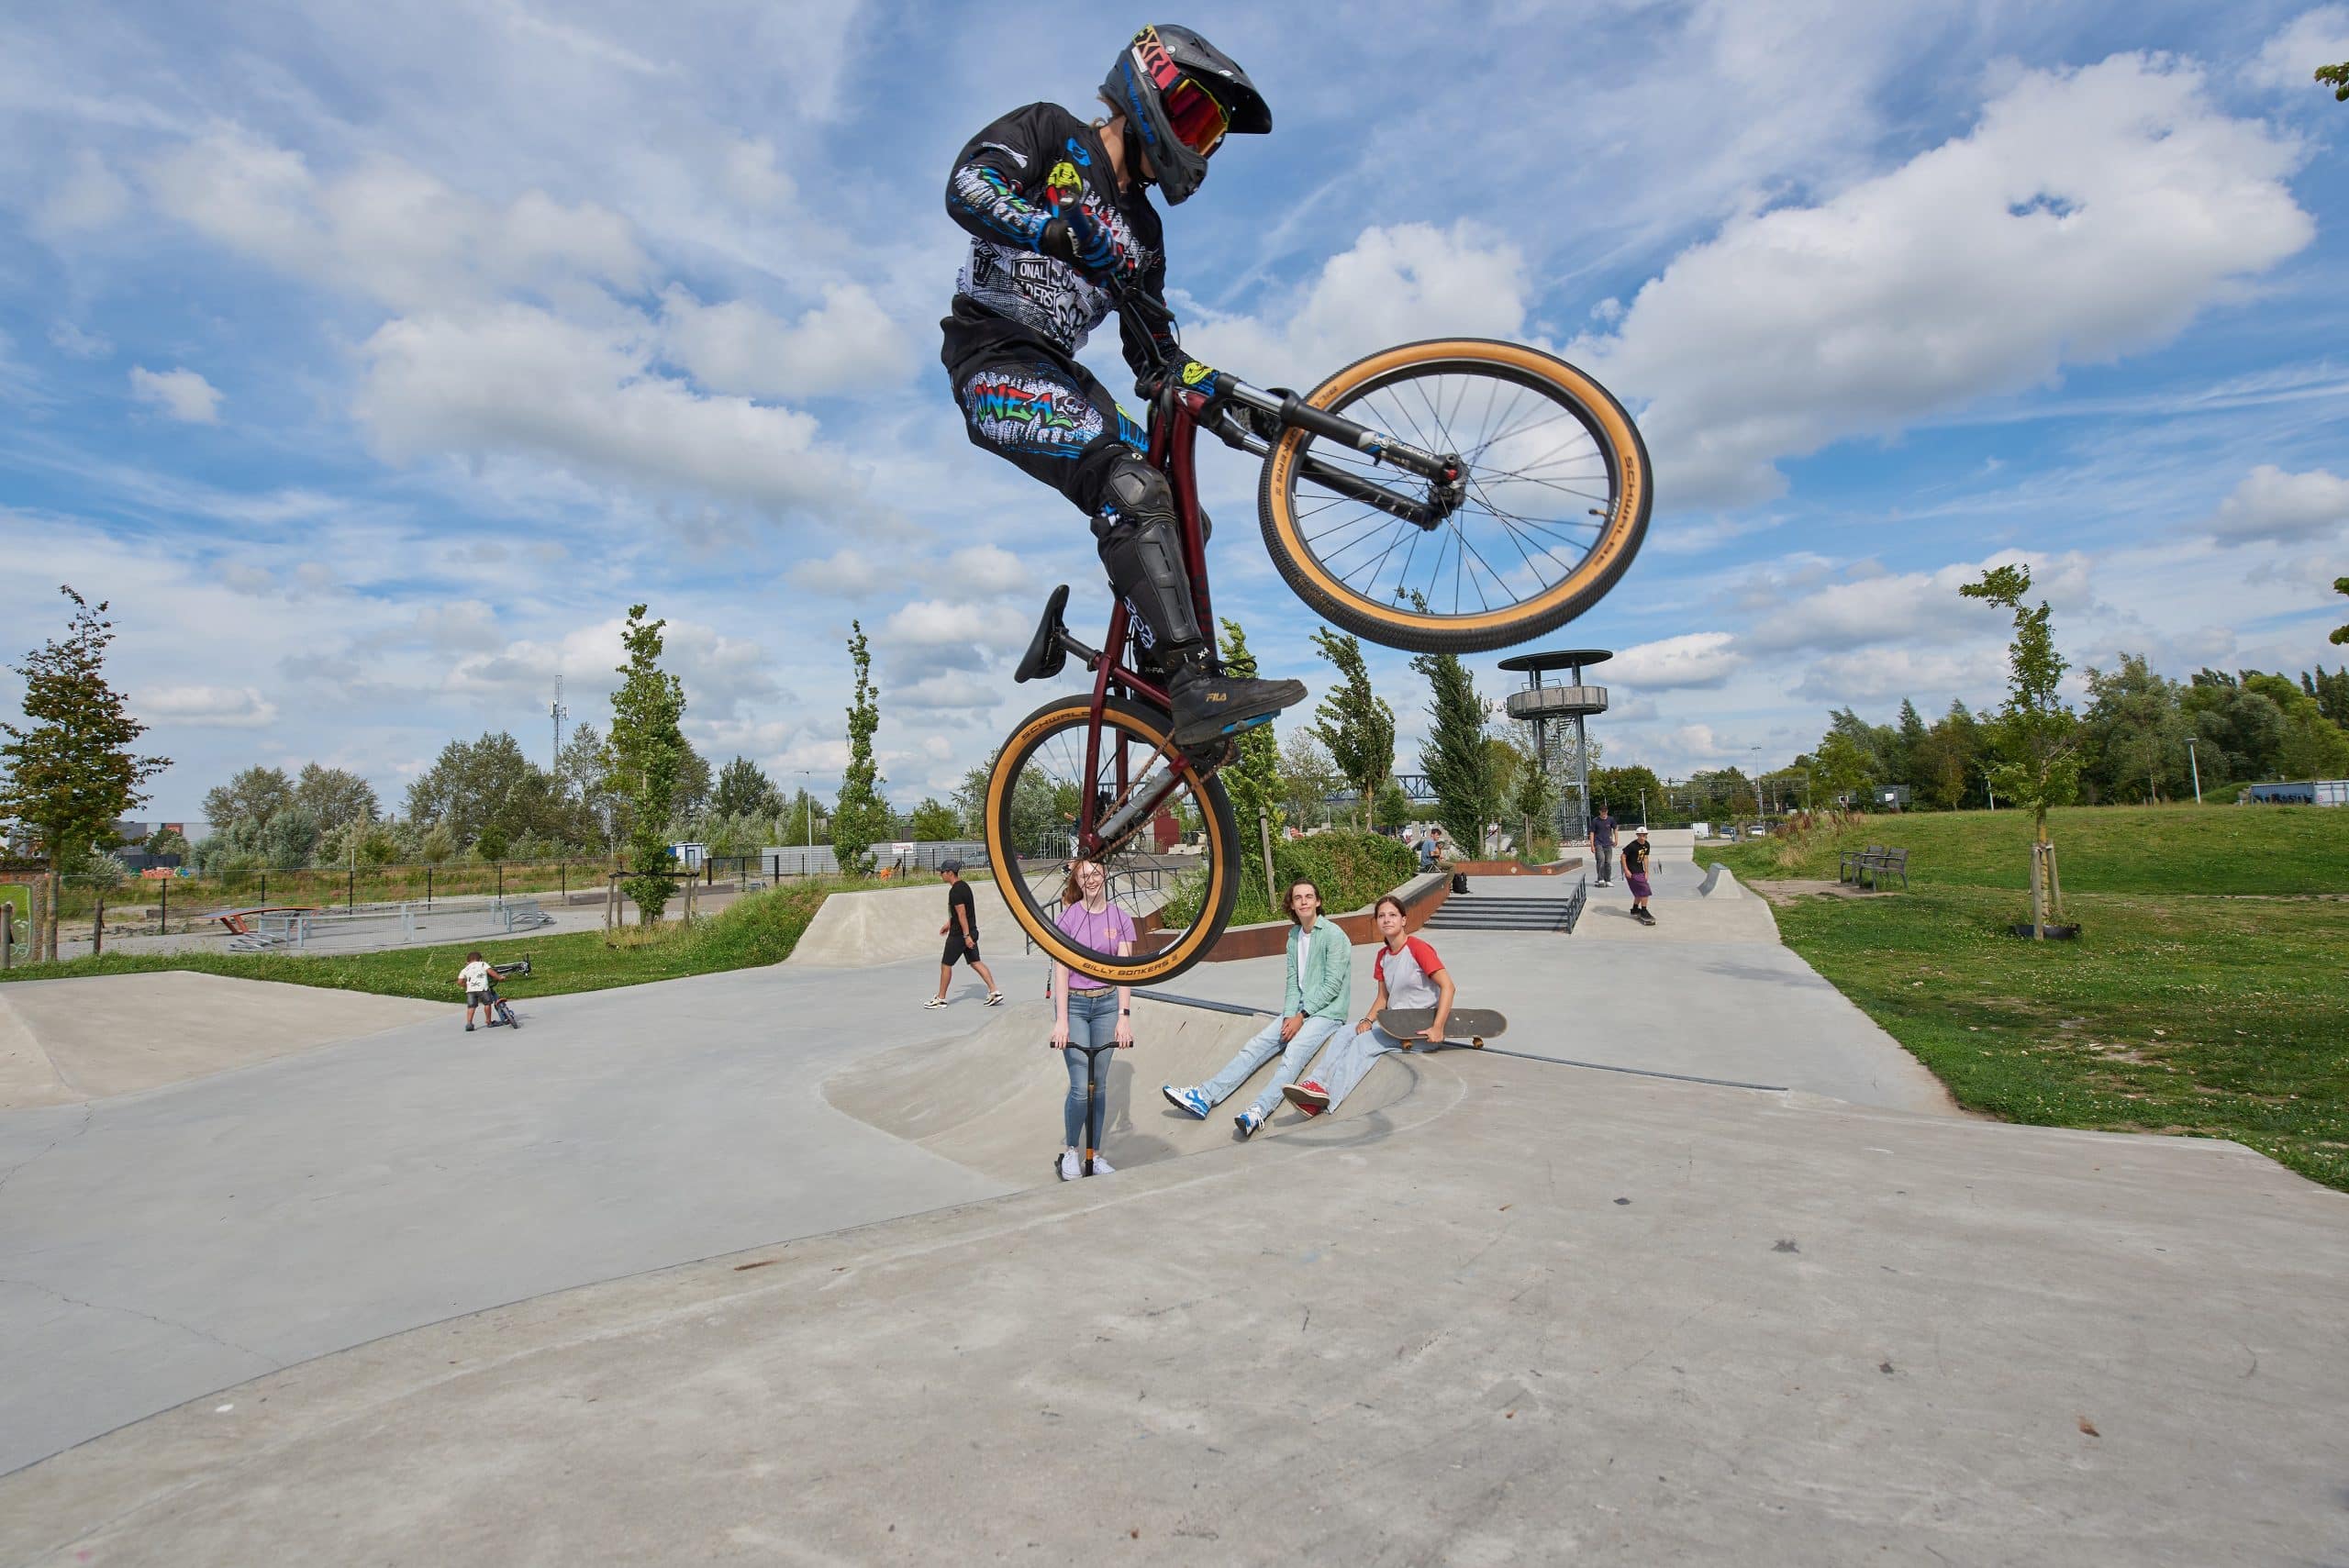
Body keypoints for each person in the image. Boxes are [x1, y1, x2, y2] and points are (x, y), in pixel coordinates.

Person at [941, 25, 1303, 750]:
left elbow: (1157, 357)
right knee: (1131, 487)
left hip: (1065, 375)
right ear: (1147, 93)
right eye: (1198, 122)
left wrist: (1234, 398)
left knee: (1182, 517)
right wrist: (1053, 231)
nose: (1201, 148)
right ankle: (1192, 681)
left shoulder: (1145, 233)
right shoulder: (1049, 130)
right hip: (991, 358)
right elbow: (967, 186)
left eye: (1213, 139)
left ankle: (1163, 688)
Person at [1160, 878, 1349, 1138]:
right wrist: (1289, 1014)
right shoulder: (1294, 936)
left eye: (1308, 897)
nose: (1304, 901)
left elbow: (1333, 985)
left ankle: (1257, 1111)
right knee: (1255, 1047)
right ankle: (1204, 1097)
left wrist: (1301, 1016)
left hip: (1327, 1012)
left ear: (1318, 902)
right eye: (1298, 898)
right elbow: (1293, 982)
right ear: (1292, 905)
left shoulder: (1333, 935)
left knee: (1292, 1054)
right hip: (1299, 1009)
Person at [1283, 894, 1452, 1117]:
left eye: (1392, 915)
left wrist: (1438, 1027)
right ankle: (1314, 1083)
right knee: (1345, 1033)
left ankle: (1323, 1101)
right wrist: (1366, 1020)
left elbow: (1448, 987)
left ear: (1403, 920)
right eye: (1381, 916)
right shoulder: (1383, 955)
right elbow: (1382, 998)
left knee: (1363, 1045)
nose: (1387, 920)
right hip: (1396, 1025)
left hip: (1421, 1030)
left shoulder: (1418, 948)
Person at [1052, 857, 1135, 1179]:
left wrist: (1123, 1017)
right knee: (1079, 1088)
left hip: (1106, 1004)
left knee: (1098, 1087)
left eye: (1096, 873)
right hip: (1074, 1005)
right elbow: (1060, 970)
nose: (1091, 880)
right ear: (1077, 880)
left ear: (1105, 875)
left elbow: (1125, 972)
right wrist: (1061, 1020)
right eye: (1084, 875)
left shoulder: (1120, 918)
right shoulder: (1068, 919)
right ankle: (1072, 1150)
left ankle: (1094, 1154)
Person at [929, 860, 1005, 1009]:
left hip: (960, 936)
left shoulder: (955, 891)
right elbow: (961, 913)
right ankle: (994, 991)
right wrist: (948, 924)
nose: (941, 874)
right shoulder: (964, 886)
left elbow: (962, 913)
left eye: (942, 872)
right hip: (969, 931)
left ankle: (941, 998)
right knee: (975, 962)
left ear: (950, 872)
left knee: (946, 965)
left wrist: (965, 936)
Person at [1621, 824, 1656, 925]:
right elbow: (1623, 856)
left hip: (1640, 871)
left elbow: (1645, 858)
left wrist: (1647, 871)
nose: (1642, 837)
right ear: (1637, 835)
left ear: (1646, 835)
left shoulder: (1647, 845)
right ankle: (1644, 910)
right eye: (1640, 835)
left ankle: (1635, 909)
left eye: (1644, 835)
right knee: (1645, 890)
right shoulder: (1632, 845)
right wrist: (1626, 870)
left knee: (1639, 891)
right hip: (1632, 872)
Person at [458, 950, 496, 1032]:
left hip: (470, 991)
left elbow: (460, 981)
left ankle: (469, 1023)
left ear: (467, 961)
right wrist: (499, 978)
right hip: (482, 989)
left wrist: (466, 986)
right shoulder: (483, 964)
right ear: (480, 959)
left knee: (471, 1006)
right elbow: (491, 972)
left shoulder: (465, 969)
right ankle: (489, 1021)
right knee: (487, 1004)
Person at [1590, 805, 1616, 886]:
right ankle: (1601, 879)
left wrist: (1616, 840)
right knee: (1601, 859)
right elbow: (1592, 833)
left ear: (1607, 811)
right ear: (1600, 812)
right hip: (1598, 843)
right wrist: (1592, 845)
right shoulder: (1595, 820)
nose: (1604, 813)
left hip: (1608, 843)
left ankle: (1608, 879)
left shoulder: (1611, 819)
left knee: (1608, 862)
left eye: (1605, 811)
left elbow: (1615, 829)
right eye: (1602, 811)